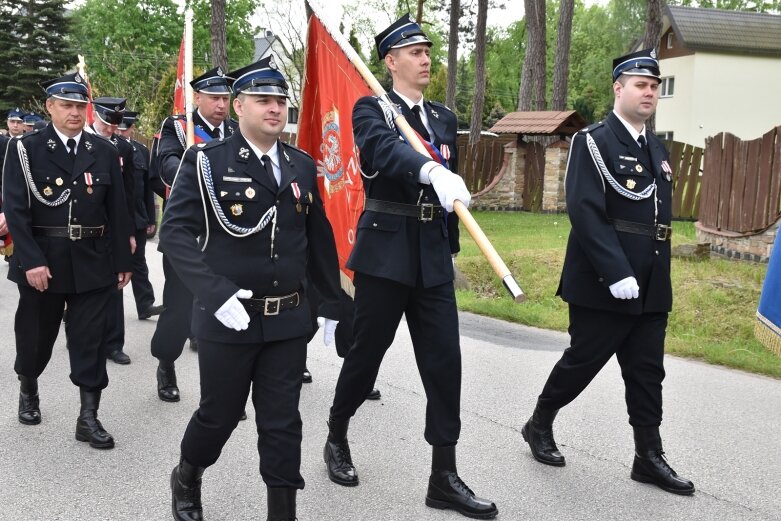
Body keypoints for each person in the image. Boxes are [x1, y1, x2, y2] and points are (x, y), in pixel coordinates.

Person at [322, 14, 497, 519]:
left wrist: (450, 249)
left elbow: (450, 189)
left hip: (431, 257)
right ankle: (336, 433)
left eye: (427, 51)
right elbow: (382, 153)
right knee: (366, 355)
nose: (425, 59)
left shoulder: (442, 117)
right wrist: (428, 169)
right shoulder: (371, 108)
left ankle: (444, 474)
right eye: (414, 52)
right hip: (386, 253)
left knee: (445, 364)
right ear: (390, 61)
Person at [162, 56, 340, 521]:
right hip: (228, 318)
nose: (275, 109)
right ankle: (187, 474)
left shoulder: (301, 166)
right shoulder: (205, 162)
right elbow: (175, 234)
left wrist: (334, 304)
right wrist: (214, 293)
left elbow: (317, 241)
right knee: (218, 416)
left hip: (286, 319)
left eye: (281, 101)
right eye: (263, 100)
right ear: (238, 105)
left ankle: (282, 511)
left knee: (282, 424)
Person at [520, 49, 695, 496]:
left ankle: (648, 456)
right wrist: (616, 271)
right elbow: (585, 209)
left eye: (655, 86)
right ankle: (539, 423)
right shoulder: (593, 141)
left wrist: (651, 274)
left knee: (647, 371)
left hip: (652, 280)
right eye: (641, 84)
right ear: (618, 88)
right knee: (583, 361)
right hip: (605, 280)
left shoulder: (656, 147)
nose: (650, 92)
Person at [2, 71, 132, 449]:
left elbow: (117, 210)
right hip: (44, 259)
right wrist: (31, 261)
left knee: (90, 340)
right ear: (51, 107)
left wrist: (123, 259)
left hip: (93, 259)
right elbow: (16, 208)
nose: (75, 112)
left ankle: (88, 417)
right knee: (36, 337)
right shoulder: (26, 149)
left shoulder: (104, 151)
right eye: (67, 105)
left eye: (80, 105)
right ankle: (29, 386)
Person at [150, 66, 237, 403]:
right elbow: (166, 163)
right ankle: (165, 362)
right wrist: (197, 173)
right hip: (188, 232)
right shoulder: (178, 126)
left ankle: (220, 390)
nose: (220, 104)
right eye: (214, 97)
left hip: (227, 232)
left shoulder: (233, 130)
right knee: (180, 309)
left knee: (225, 307)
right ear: (197, 98)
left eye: (225, 98)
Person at [88, 96, 139, 365]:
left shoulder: (123, 148)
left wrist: (129, 233)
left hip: (113, 227)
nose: (111, 130)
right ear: (94, 115)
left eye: (115, 125)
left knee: (115, 285)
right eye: (107, 124)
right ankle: (86, 339)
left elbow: (127, 195)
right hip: (86, 226)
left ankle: (113, 343)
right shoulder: (82, 142)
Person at [117, 111, 164, 320]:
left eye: (126, 127)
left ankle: (145, 304)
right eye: (119, 127)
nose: (121, 131)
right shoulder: (105, 147)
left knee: (139, 263)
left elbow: (147, 188)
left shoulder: (141, 151)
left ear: (132, 128)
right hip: (116, 217)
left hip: (137, 215)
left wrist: (151, 219)